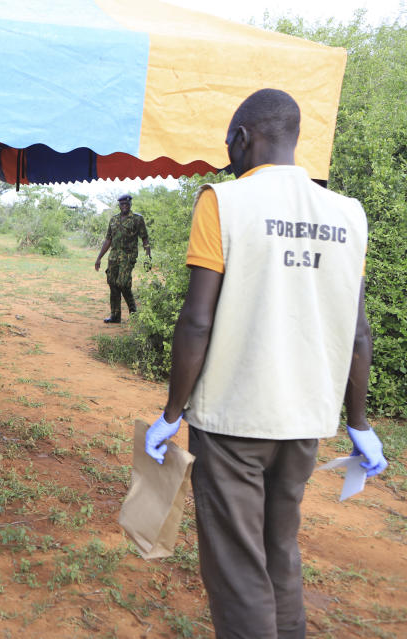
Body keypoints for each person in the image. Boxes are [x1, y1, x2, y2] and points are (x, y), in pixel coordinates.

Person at [144, 89, 388, 639]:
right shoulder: (349, 214)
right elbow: (359, 332)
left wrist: (172, 411)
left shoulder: (224, 202)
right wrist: (359, 423)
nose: (228, 154)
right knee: (280, 546)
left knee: (236, 564)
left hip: (233, 420)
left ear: (244, 137)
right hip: (305, 423)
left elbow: (197, 322)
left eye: (229, 143)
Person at [94, 194, 150, 323]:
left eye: (126, 204)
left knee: (123, 283)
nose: (124, 206)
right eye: (122, 204)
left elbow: (145, 238)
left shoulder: (137, 219)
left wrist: (148, 257)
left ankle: (133, 312)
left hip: (128, 256)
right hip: (113, 257)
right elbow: (108, 239)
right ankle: (115, 315)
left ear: (130, 204)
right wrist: (99, 258)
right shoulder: (114, 220)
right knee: (112, 283)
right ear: (119, 205)